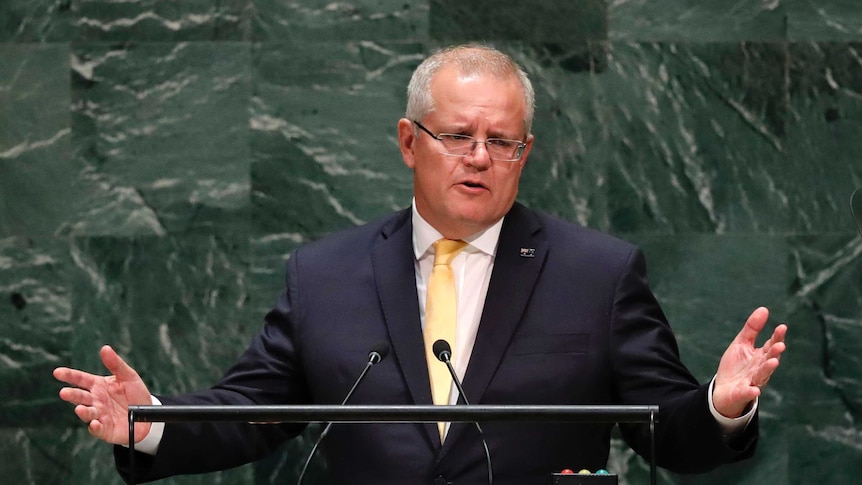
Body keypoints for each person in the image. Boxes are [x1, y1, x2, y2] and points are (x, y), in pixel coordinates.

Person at [53, 44, 787, 485]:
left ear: (524, 155)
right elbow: (255, 412)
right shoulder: (325, 274)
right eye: (458, 134)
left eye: (503, 141)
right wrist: (148, 422)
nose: (479, 156)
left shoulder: (598, 273)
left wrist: (721, 405)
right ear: (409, 141)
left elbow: (661, 427)